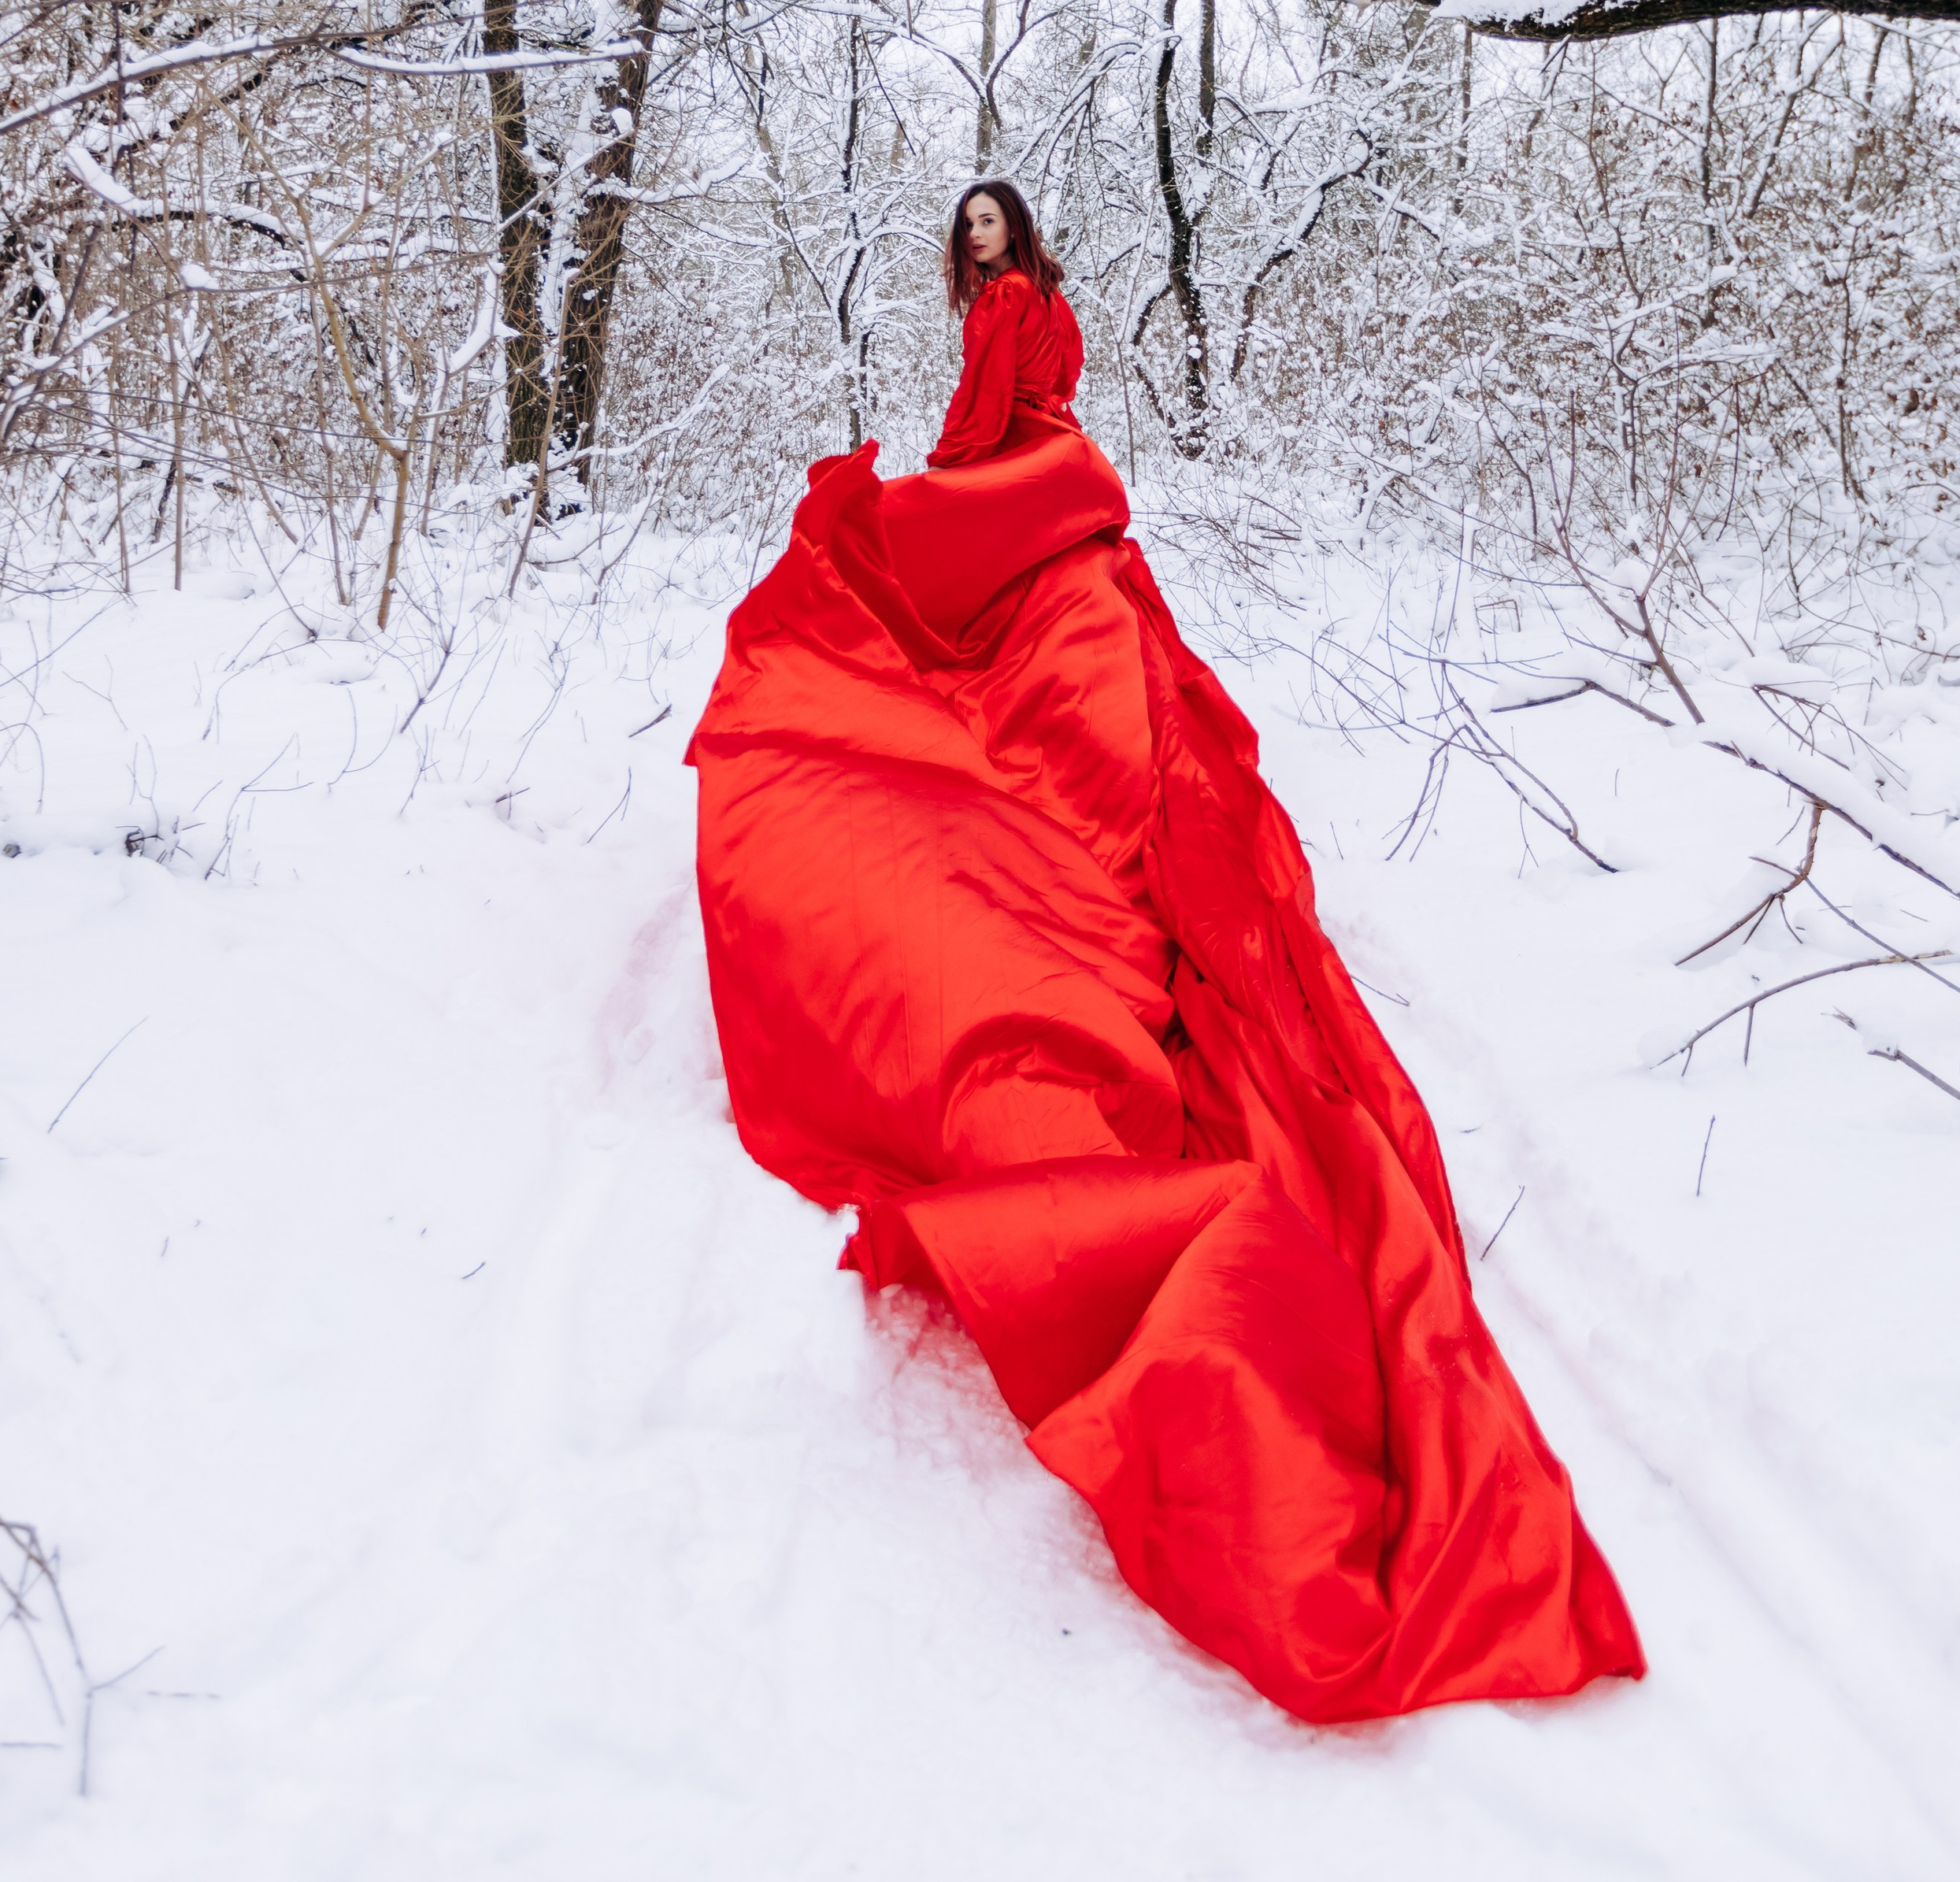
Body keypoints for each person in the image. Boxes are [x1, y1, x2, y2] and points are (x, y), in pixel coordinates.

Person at [688, 178, 1643, 1723]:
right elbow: (1027, 410)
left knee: (936, 642)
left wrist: (935, 496)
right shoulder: (1042, 309)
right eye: (969, 228)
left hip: (1029, 497)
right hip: (1065, 506)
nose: (981, 245)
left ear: (1013, 239)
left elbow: (979, 426)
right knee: (1111, 718)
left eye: (992, 223)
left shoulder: (1007, 313)